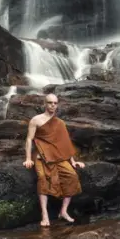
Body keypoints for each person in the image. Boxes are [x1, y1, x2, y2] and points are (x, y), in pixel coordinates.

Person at [23, 93, 84, 227]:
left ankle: (63, 211)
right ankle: (45, 215)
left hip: (58, 157)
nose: (53, 105)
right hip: (42, 156)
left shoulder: (60, 123)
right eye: (50, 102)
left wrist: (73, 161)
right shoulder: (36, 120)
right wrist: (28, 158)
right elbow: (29, 139)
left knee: (72, 176)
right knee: (43, 179)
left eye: (55, 103)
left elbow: (65, 144)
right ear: (44, 104)